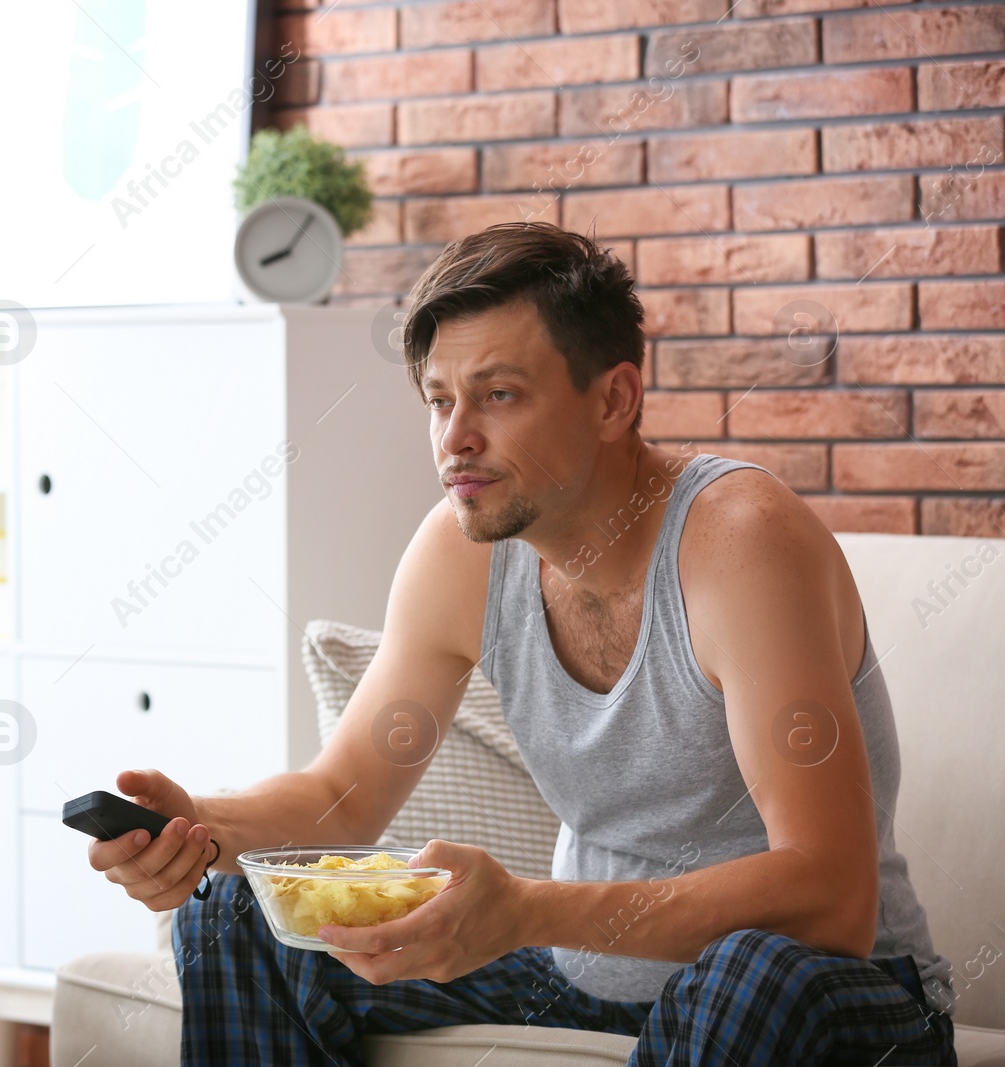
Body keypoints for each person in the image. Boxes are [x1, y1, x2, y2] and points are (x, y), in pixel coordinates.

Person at [85, 222, 957, 1066]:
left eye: (498, 395)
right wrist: (197, 829)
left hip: (842, 998)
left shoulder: (740, 541)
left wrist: (527, 910)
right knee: (235, 911)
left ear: (613, 398)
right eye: (438, 400)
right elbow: (339, 801)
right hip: (585, 983)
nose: (454, 438)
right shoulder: (462, 555)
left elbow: (834, 898)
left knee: (745, 971)